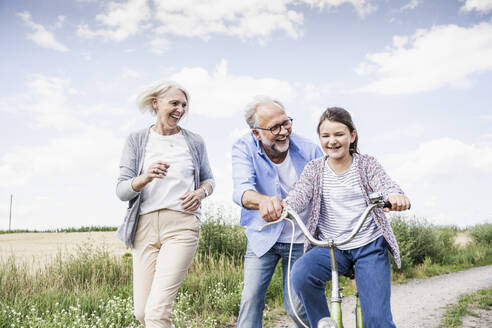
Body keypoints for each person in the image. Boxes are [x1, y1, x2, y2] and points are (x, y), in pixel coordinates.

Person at [283, 107, 410, 328]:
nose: (332, 141)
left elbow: (385, 184)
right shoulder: (315, 169)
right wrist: (284, 207)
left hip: (368, 245)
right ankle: (324, 324)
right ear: (320, 139)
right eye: (326, 136)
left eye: (339, 134)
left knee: (377, 320)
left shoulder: (366, 164)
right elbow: (300, 194)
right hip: (332, 247)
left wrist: (395, 195)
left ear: (352, 136)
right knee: (301, 274)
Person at [115, 80, 214, 328]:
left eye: (184, 105)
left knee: (157, 313)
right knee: (142, 313)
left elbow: (209, 180)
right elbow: (122, 191)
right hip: (144, 228)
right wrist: (145, 177)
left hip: (182, 226)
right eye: (174, 103)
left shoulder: (194, 141)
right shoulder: (137, 140)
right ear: (156, 104)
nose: (180, 109)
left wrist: (201, 193)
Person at [232, 96, 323, 328]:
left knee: (297, 307)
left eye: (286, 123)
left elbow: (325, 192)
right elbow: (242, 191)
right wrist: (263, 201)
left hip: (301, 239)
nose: (284, 131)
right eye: (274, 127)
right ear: (256, 133)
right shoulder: (243, 148)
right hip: (263, 236)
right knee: (251, 300)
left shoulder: (310, 149)